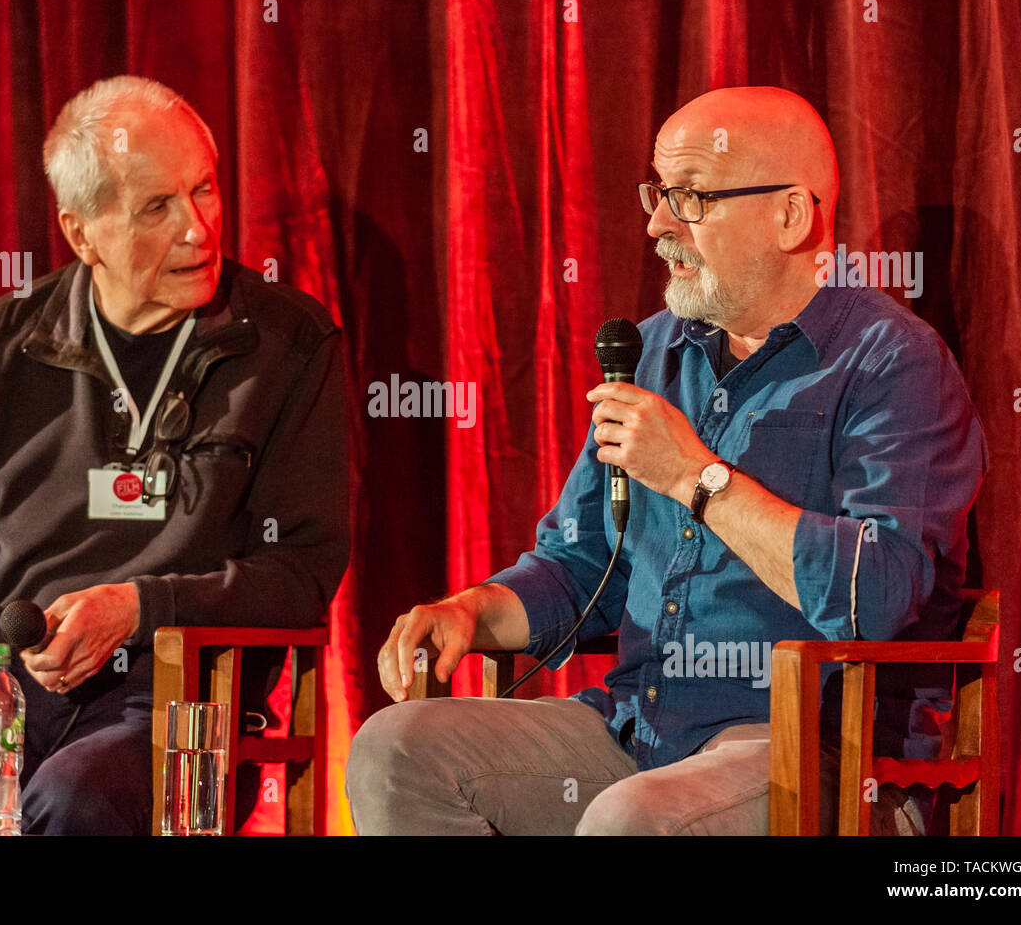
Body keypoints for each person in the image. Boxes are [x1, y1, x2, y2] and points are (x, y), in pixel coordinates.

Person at [346, 86, 987, 835]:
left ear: (791, 215)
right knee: (397, 750)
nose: (655, 224)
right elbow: (582, 566)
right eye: (657, 192)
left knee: (631, 819)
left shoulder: (893, 362)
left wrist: (694, 475)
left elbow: (879, 593)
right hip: (640, 730)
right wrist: (468, 611)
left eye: (690, 197)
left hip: (817, 754)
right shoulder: (654, 351)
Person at [0, 75, 349, 834]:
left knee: (75, 801)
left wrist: (141, 607)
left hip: (179, 703)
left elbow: (301, 574)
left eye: (204, 190)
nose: (199, 230)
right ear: (82, 234)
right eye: (157, 208)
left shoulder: (288, 345)